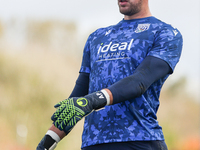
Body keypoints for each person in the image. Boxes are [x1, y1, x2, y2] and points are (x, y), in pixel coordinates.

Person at [37, 0, 183, 149]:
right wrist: (47, 143)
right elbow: (77, 99)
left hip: (139, 140)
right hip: (93, 142)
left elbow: (139, 82)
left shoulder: (165, 33)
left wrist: (91, 101)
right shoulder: (97, 37)